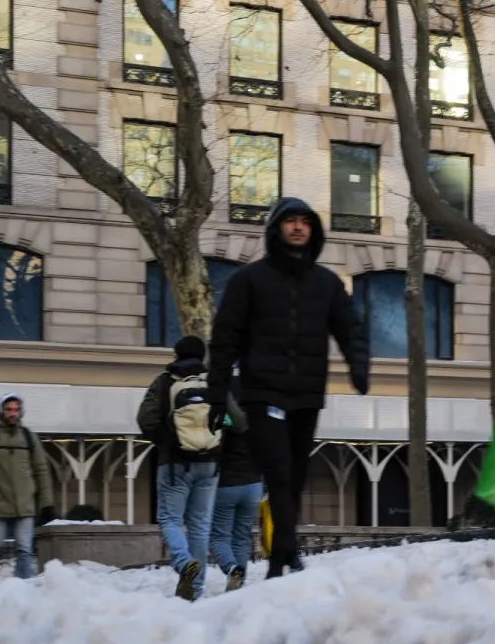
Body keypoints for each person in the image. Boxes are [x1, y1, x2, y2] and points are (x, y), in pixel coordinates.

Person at [207, 198, 370, 578]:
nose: (298, 227)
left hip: (307, 395)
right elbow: (225, 339)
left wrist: (358, 366)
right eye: (290, 221)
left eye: (304, 222)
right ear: (276, 228)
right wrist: (217, 395)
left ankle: (283, 553)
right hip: (263, 394)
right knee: (279, 471)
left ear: (312, 230)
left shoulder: (327, 283)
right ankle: (283, 557)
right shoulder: (248, 280)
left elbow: (351, 328)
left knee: (295, 475)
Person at [138, 336, 223, 599]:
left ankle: (184, 563)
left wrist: (167, 442)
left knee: (170, 519)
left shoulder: (164, 382)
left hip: (175, 464)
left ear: (176, 354)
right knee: (200, 526)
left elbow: (145, 419)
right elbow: (227, 419)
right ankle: (195, 589)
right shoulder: (213, 382)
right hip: (209, 462)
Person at [0, 393, 58, 583]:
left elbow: (41, 470)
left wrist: (47, 503)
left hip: (25, 505)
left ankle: (21, 588)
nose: (13, 413)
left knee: (25, 549)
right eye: (8, 409)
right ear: (1, 411)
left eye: (16, 410)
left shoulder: (28, 437)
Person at [207, 400, 261, 592]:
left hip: (227, 485)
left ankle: (231, 568)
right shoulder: (258, 418)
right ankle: (238, 588)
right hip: (253, 486)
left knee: (218, 537)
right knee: (242, 538)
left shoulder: (224, 420)